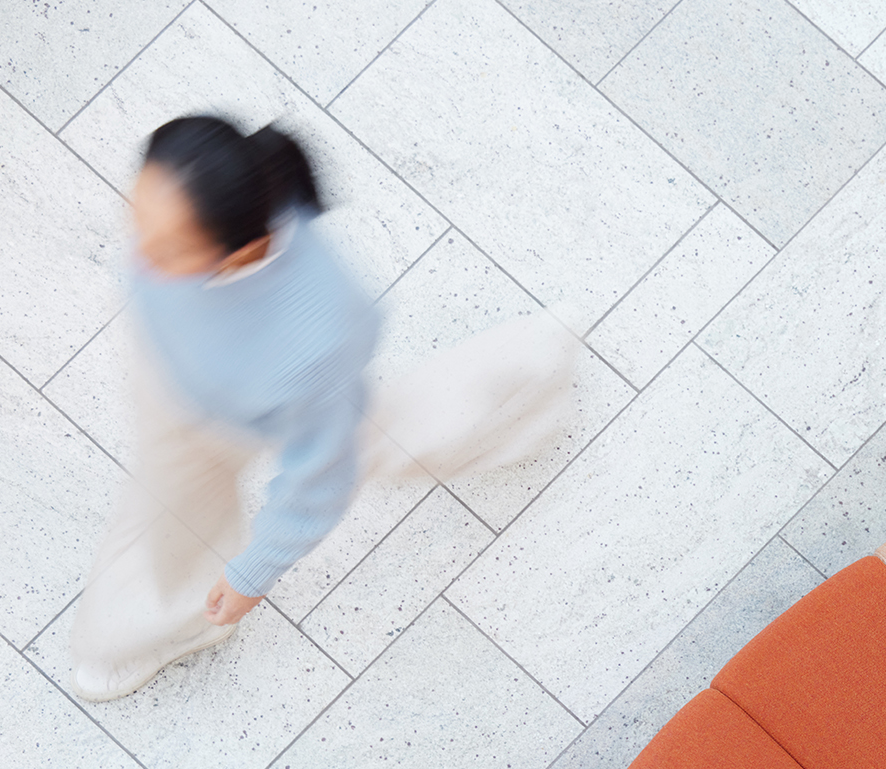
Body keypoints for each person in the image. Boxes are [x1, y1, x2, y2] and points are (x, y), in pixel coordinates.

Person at [71, 115, 575, 702]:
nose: (140, 256)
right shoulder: (215, 203)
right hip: (199, 383)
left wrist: (253, 574)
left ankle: (172, 624)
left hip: (224, 416)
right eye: (136, 215)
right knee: (376, 434)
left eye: (170, 248)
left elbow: (318, 481)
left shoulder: (316, 340)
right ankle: (527, 371)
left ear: (242, 249)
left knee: (323, 456)